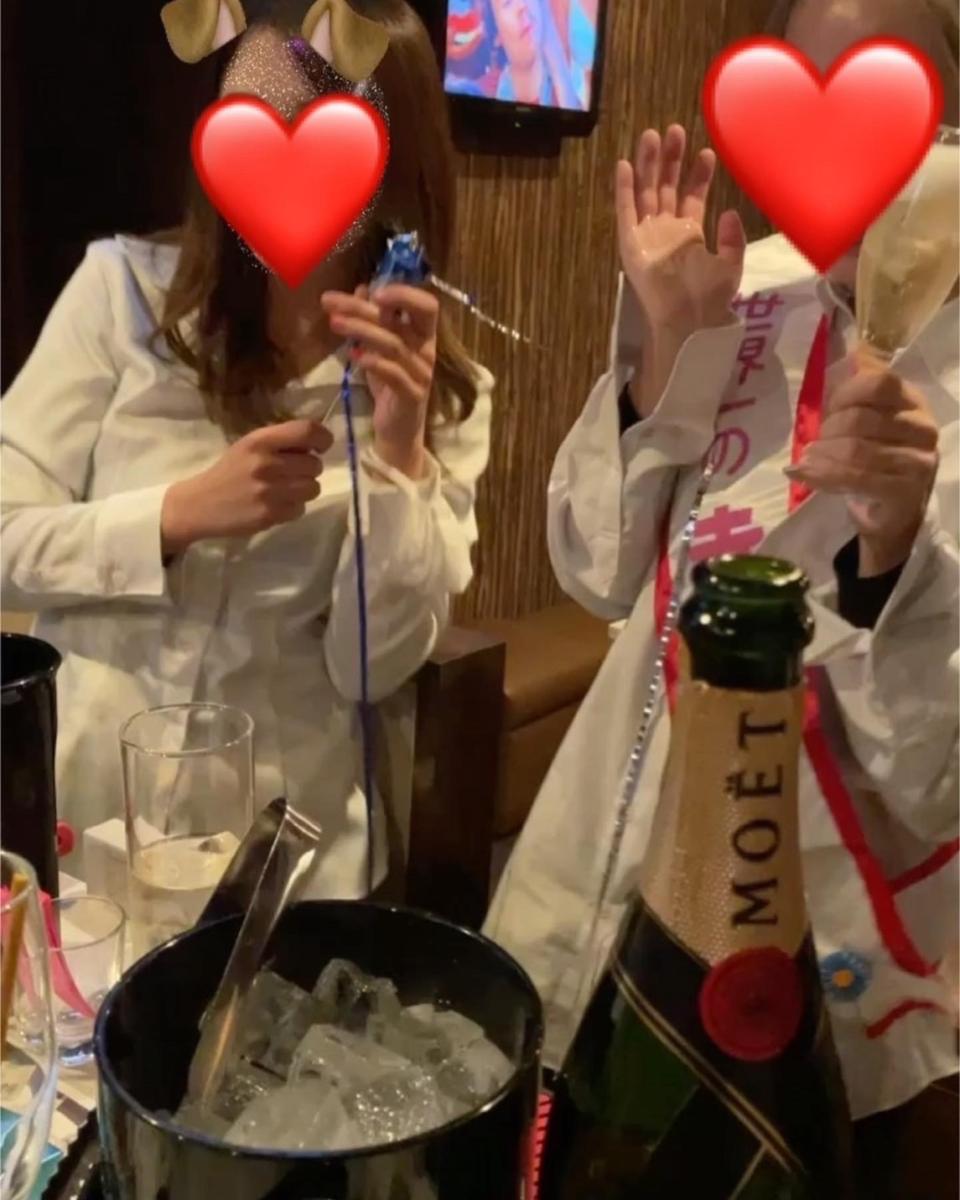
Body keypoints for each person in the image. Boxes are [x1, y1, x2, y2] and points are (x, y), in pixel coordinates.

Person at [486, 0, 958, 1191]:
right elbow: (593, 566)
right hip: (601, 880)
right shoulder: (739, 289)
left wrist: (896, 545)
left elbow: (934, 777)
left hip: (823, 968)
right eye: (808, 87)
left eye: (885, 97)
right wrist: (668, 345)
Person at [0, 0, 493, 899]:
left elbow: (372, 669)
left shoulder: (443, 395)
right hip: (84, 830)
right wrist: (172, 517)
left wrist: (398, 457)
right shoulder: (122, 296)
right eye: (248, 123)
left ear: (390, 157)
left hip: (282, 867)